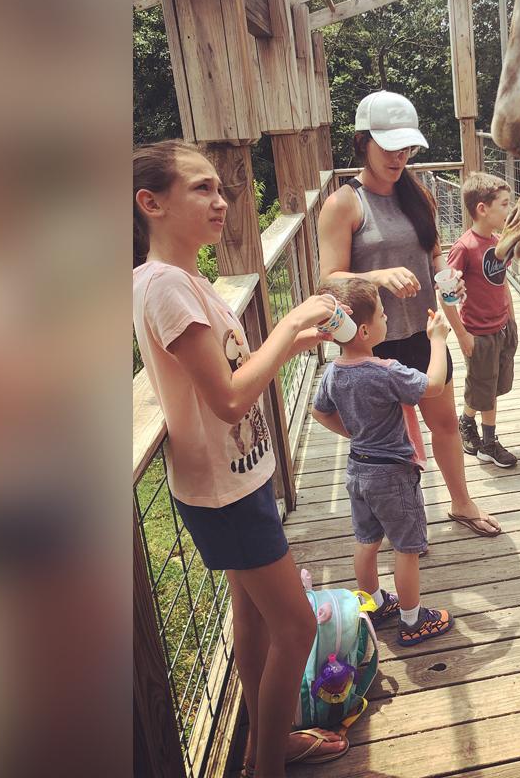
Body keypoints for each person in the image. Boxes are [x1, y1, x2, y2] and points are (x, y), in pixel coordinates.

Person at [132, 140, 349, 775]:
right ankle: (269, 764)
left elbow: (231, 370)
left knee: (254, 622)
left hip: (239, 478)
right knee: (297, 628)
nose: (222, 201)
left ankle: (265, 742)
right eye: (201, 189)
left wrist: (293, 339)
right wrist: (290, 324)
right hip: (223, 495)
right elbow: (227, 399)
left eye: (221, 189)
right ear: (151, 203)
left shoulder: (185, 278)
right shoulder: (166, 286)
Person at [315, 90, 503, 537]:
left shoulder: (419, 195)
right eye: (389, 145)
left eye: (407, 147)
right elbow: (328, 279)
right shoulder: (344, 203)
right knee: (383, 440)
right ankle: (391, 522)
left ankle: (461, 503)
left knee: (444, 426)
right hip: (371, 342)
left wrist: (448, 280)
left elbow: (435, 257)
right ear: (363, 142)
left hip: (422, 332)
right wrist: (378, 278)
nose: (399, 156)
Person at [309, 278, 455, 646]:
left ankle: (373, 602)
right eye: (382, 313)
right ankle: (411, 619)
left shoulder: (334, 372)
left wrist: (355, 434)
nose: (387, 317)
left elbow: (319, 412)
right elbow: (434, 385)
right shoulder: (386, 371)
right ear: (363, 329)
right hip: (392, 474)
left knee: (366, 539)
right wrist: (436, 339)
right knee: (406, 548)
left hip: (358, 468)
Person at [447, 173, 519, 468]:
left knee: (489, 387)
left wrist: (511, 320)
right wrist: (463, 335)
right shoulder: (464, 248)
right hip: (478, 333)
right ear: (482, 209)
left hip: (502, 328)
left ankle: (466, 422)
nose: (509, 210)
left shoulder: (500, 242)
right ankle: (488, 443)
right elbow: (447, 295)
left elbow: (501, 283)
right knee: (485, 389)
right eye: (504, 205)